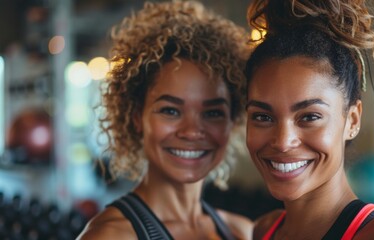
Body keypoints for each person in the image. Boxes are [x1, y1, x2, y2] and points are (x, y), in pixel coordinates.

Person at [244, 0, 374, 239]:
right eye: (263, 116)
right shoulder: (262, 231)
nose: (282, 141)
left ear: (352, 121)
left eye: (309, 117)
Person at [77, 1, 252, 239]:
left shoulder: (241, 231)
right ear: (137, 116)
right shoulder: (111, 235)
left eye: (212, 113)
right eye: (170, 111)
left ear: (233, 121)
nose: (192, 131)